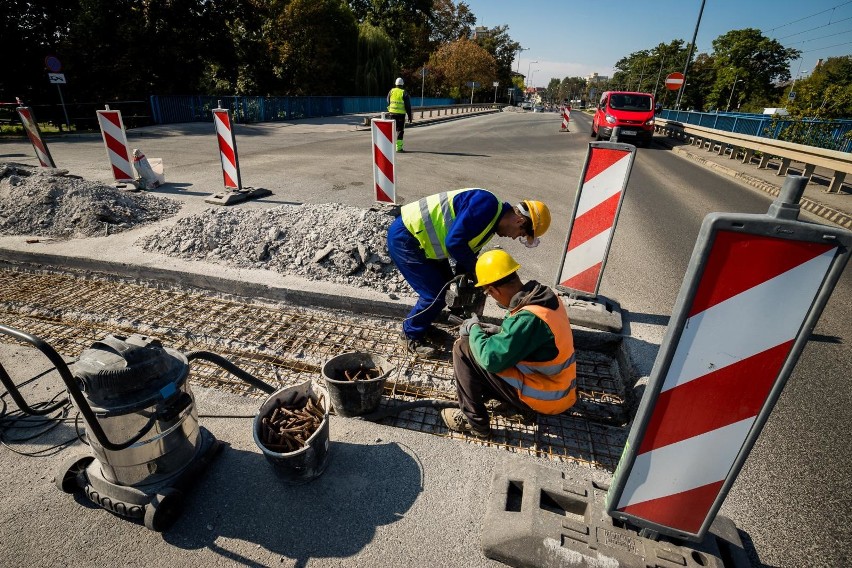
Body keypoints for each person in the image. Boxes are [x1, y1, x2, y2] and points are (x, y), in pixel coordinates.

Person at [386, 188, 551, 357]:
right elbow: (454, 243)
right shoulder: (486, 204)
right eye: (521, 234)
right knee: (434, 294)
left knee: (445, 288)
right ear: (519, 221)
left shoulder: (490, 225)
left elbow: (465, 254)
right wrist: (478, 272)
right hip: (407, 237)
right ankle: (409, 335)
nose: (516, 238)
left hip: (424, 242)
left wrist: (468, 281)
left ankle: (422, 326)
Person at [441, 250, 577, 438]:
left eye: (489, 293)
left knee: (463, 348)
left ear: (494, 290)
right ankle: (510, 402)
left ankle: (475, 423)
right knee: (482, 344)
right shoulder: (543, 297)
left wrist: (473, 329)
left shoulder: (528, 319)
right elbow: (532, 338)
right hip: (561, 389)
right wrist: (500, 331)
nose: (493, 298)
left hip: (546, 397)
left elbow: (491, 359)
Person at [387, 77, 413, 152]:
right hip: (401, 115)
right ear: (402, 84)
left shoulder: (391, 91)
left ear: (395, 84)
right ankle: (398, 148)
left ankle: (388, 147)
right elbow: (408, 106)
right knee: (400, 131)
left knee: (391, 130)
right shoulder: (404, 92)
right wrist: (410, 116)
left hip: (391, 113)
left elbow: (388, 101)